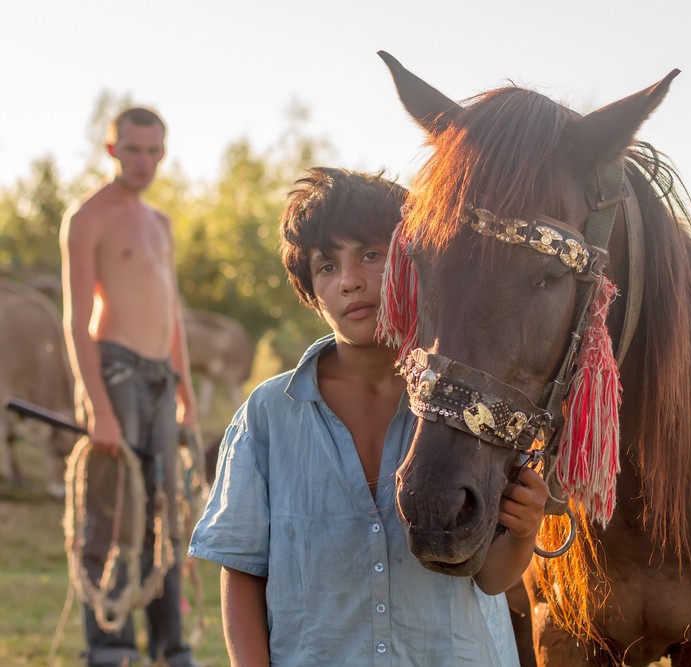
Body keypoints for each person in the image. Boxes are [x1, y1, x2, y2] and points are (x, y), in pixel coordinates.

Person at [188, 167, 547, 666]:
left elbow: (491, 579)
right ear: (310, 290)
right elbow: (244, 571)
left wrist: (525, 529)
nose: (351, 282)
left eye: (371, 256)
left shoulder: (471, 406)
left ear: (416, 263)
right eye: (327, 267)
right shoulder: (268, 416)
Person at [60, 106, 200, 667]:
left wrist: (185, 388)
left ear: (163, 152)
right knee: (115, 509)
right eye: (133, 150)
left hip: (161, 379)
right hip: (114, 372)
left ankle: (171, 645)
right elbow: (74, 321)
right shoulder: (88, 217)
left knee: (165, 510)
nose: (144, 161)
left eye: (154, 150)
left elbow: (172, 316)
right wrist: (99, 407)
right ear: (112, 150)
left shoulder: (160, 224)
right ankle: (110, 644)